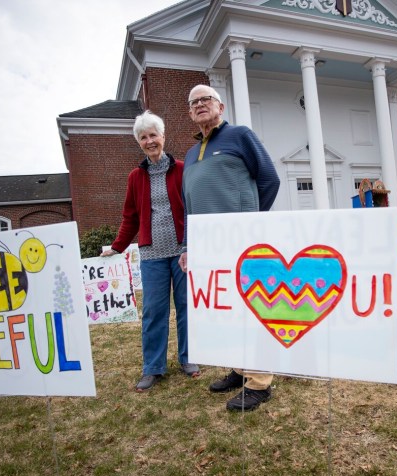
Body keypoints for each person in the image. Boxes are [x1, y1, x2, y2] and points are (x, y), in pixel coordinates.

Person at [179, 84, 280, 411]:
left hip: (241, 240)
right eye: (194, 103)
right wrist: (187, 246)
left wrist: (249, 221)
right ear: (190, 113)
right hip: (208, 246)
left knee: (250, 307)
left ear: (220, 106)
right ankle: (240, 368)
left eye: (205, 99)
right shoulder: (192, 154)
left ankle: (261, 382)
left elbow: (270, 180)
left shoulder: (240, 136)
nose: (199, 105)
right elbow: (188, 205)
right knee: (227, 310)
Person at [102, 110, 199, 392]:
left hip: (183, 252)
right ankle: (153, 368)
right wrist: (117, 246)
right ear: (139, 143)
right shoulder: (136, 176)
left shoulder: (182, 169)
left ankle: (189, 358)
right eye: (143, 137)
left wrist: (193, 244)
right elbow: (130, 216)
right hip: (152, 254)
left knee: (185, 307)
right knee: (155, 310)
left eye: (153, 135)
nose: (149, 141)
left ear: (163, 136)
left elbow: (193, 207)